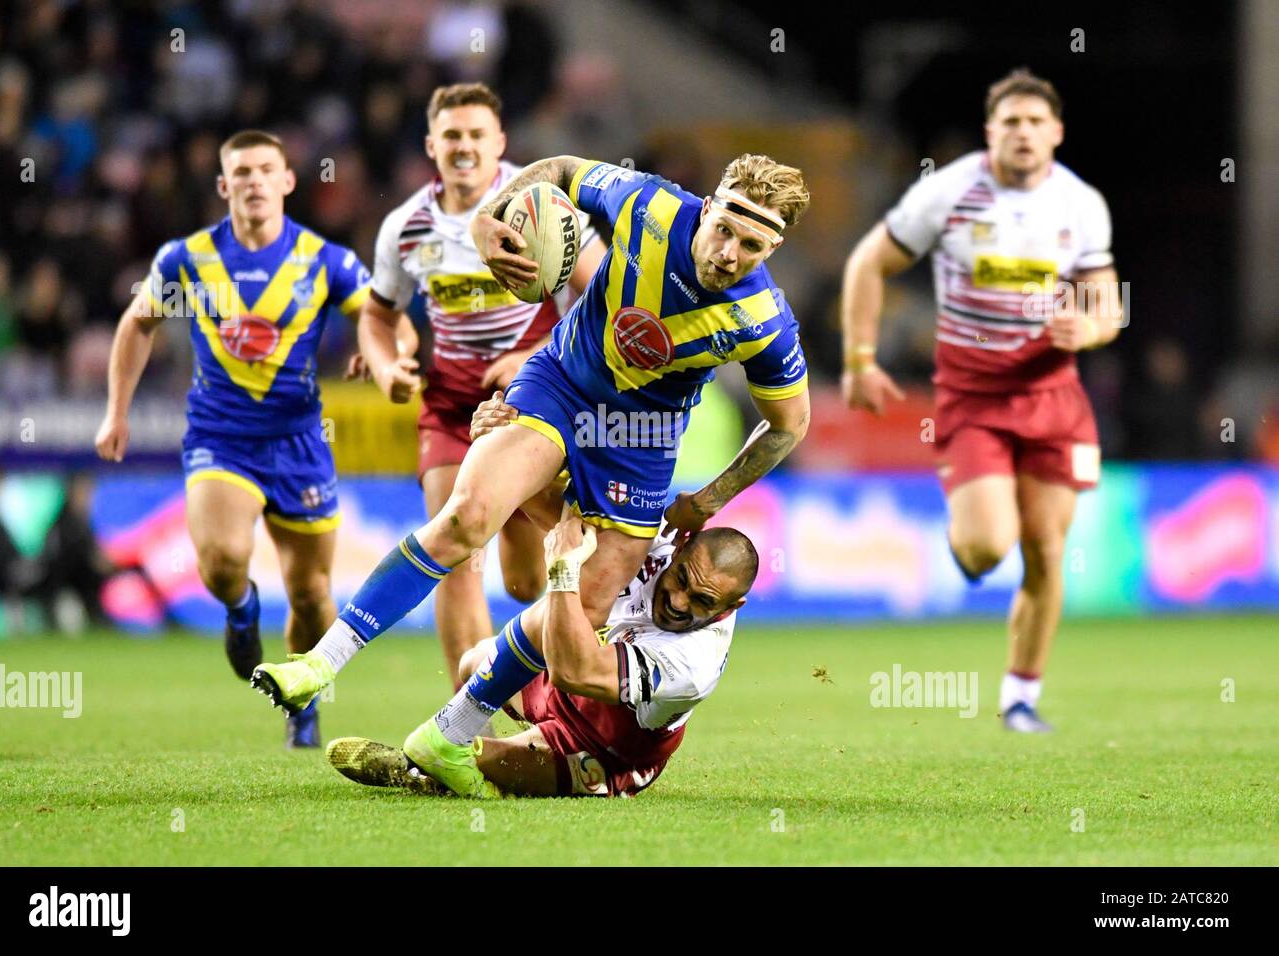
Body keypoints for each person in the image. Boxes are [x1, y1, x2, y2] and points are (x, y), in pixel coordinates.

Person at [251, 153, 812, 773]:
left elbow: (791, 425)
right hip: (562, 385)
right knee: (466, 519)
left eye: (752, 246)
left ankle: (448, 735)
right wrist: (492, 219)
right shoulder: (649, 204)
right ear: (708, 207)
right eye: (725, 229)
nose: (729, 253)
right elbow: (563, 169)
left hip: (640, 440)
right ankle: (318, 663)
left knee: (582, 605)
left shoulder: (763, 323)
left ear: (772, 250)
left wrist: (709, 498)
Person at [840, 69, 1123, 731]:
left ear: (1055, 132)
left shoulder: (1081, 204)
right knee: (988, 548)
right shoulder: (950, 191)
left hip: (1054, 396)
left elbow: (1107, 302)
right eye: (1010, 122)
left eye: (1035, 122)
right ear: (991, 131)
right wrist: (858, 360)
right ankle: (969, 533)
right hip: (974, 398)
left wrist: (1093, 327)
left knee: (1047, 552)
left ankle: (1020, 696)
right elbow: (867, 263)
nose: (1023, 133)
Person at [94, 130, 371, 747]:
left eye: (265, 169)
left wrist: (383, 355)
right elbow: (137, 324)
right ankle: (240, 609)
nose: (252, 181)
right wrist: (117, 411)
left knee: (311, 595)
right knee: (219, 562)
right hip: (221, 439)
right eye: (240, 172)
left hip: (299, 443)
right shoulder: (187, 259)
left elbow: (375, 315)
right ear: (223, 186)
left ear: (287, 181)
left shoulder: (326, 259)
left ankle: (303, 703)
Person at [359, 82, 604, 687]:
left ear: (499, 142)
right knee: (458, 555)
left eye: (475, 135)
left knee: (526, 579)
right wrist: (388, 366)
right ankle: (464, 723)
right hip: (450, 407)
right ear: (431, 145)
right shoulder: (405, 227)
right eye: (451, 136)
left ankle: (551, 688)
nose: (464, 147)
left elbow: (604, 297)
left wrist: (533, 352)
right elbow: (377, 316)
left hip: (537, 403)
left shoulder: (545, 206)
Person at [327, 508, 755, 798]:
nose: (679, 602)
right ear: (679, 549)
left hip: (605, 746)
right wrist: (507, 429)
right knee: (472, 662)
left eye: (701, 601)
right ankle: (452, 758)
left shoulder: (694, 665)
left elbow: (576, 671)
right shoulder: (661, 539)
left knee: (487, 758)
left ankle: (426, 771)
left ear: (731, 608)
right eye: (680, 580)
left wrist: (563, 570)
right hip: (572, 676)